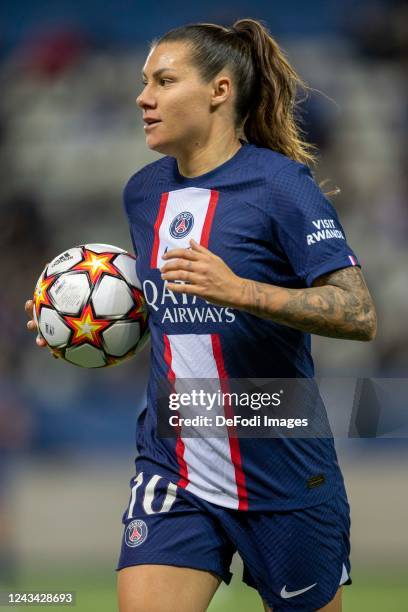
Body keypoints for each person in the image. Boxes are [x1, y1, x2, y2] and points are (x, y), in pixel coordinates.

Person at [25, 18, 377, 612]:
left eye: (163, 81)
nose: (143, 97)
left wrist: (244, 291)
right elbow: (174, 307)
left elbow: (359, 312)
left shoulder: (282, 187)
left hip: (282, 463)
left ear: (219, 90)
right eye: (144, 82)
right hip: (174, 463)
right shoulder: (143, 192)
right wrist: (84, 327)